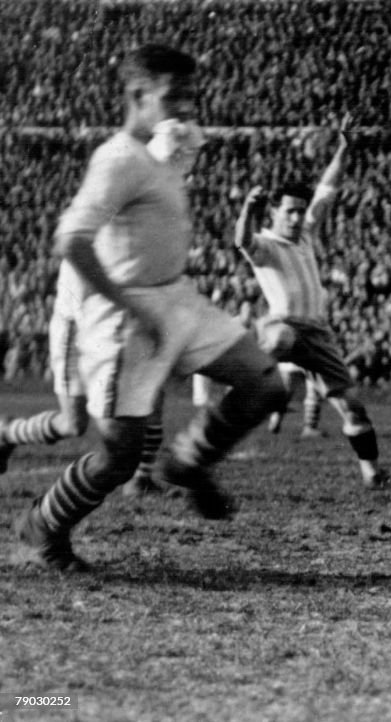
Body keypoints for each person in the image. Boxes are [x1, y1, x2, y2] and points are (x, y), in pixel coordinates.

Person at [10, 43, 288, 572]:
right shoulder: (118, 159)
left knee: (267, 384)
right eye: (174, 95)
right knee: (117, 459)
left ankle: (187, 463)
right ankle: (45, 524)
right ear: (139, 95)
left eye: (190, 95)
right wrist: (129, 308)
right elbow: (71, 240)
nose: (186, 106)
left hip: (177, 298)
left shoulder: (160, 152)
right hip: (124, 320)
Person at [233, 116, 387, 488]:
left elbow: (328, 187)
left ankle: (371, 472)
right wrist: (249, 209)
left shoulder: (305, 235)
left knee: (352, 406)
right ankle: (244, 381)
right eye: (290, 211)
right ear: (274, 212)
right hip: (282, 325)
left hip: (318, 333)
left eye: (301, 211)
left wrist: (344, 148)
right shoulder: (266, 244)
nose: (299, 217)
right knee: (281, 340)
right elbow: (242, 241)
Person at [0, 261, 164, 495]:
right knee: (73, 424)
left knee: (152, 392)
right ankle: (8, 433)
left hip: (118, 322)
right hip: (76, 325)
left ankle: (141, 478)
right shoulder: (86, 232)